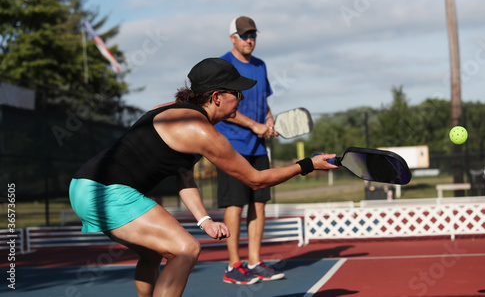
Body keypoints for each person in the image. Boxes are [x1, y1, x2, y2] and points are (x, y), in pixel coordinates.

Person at [69, 57, 337, 297]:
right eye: (238, 94)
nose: (241, 100)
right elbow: (256, 179)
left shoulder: (173, 110)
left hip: (82, 187)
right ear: (217, 96)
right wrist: (307, 165)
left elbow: (184, 177)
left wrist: (204, 220)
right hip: (108, 193)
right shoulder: (202, 132)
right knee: (186, 249)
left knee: (153, 253)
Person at [214, 16, 282, 285]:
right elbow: (222, 108)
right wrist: (253, 125)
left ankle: (255, 261)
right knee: (235, 205)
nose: (250, 39)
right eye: (244, 35)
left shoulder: (260, 66)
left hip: (257, 147)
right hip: (230, 146)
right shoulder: (224, 66)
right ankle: (233, 266)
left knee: (259, 203)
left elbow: (263, 101)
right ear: (233, 38)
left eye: (253, 34)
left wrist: (268, 120)